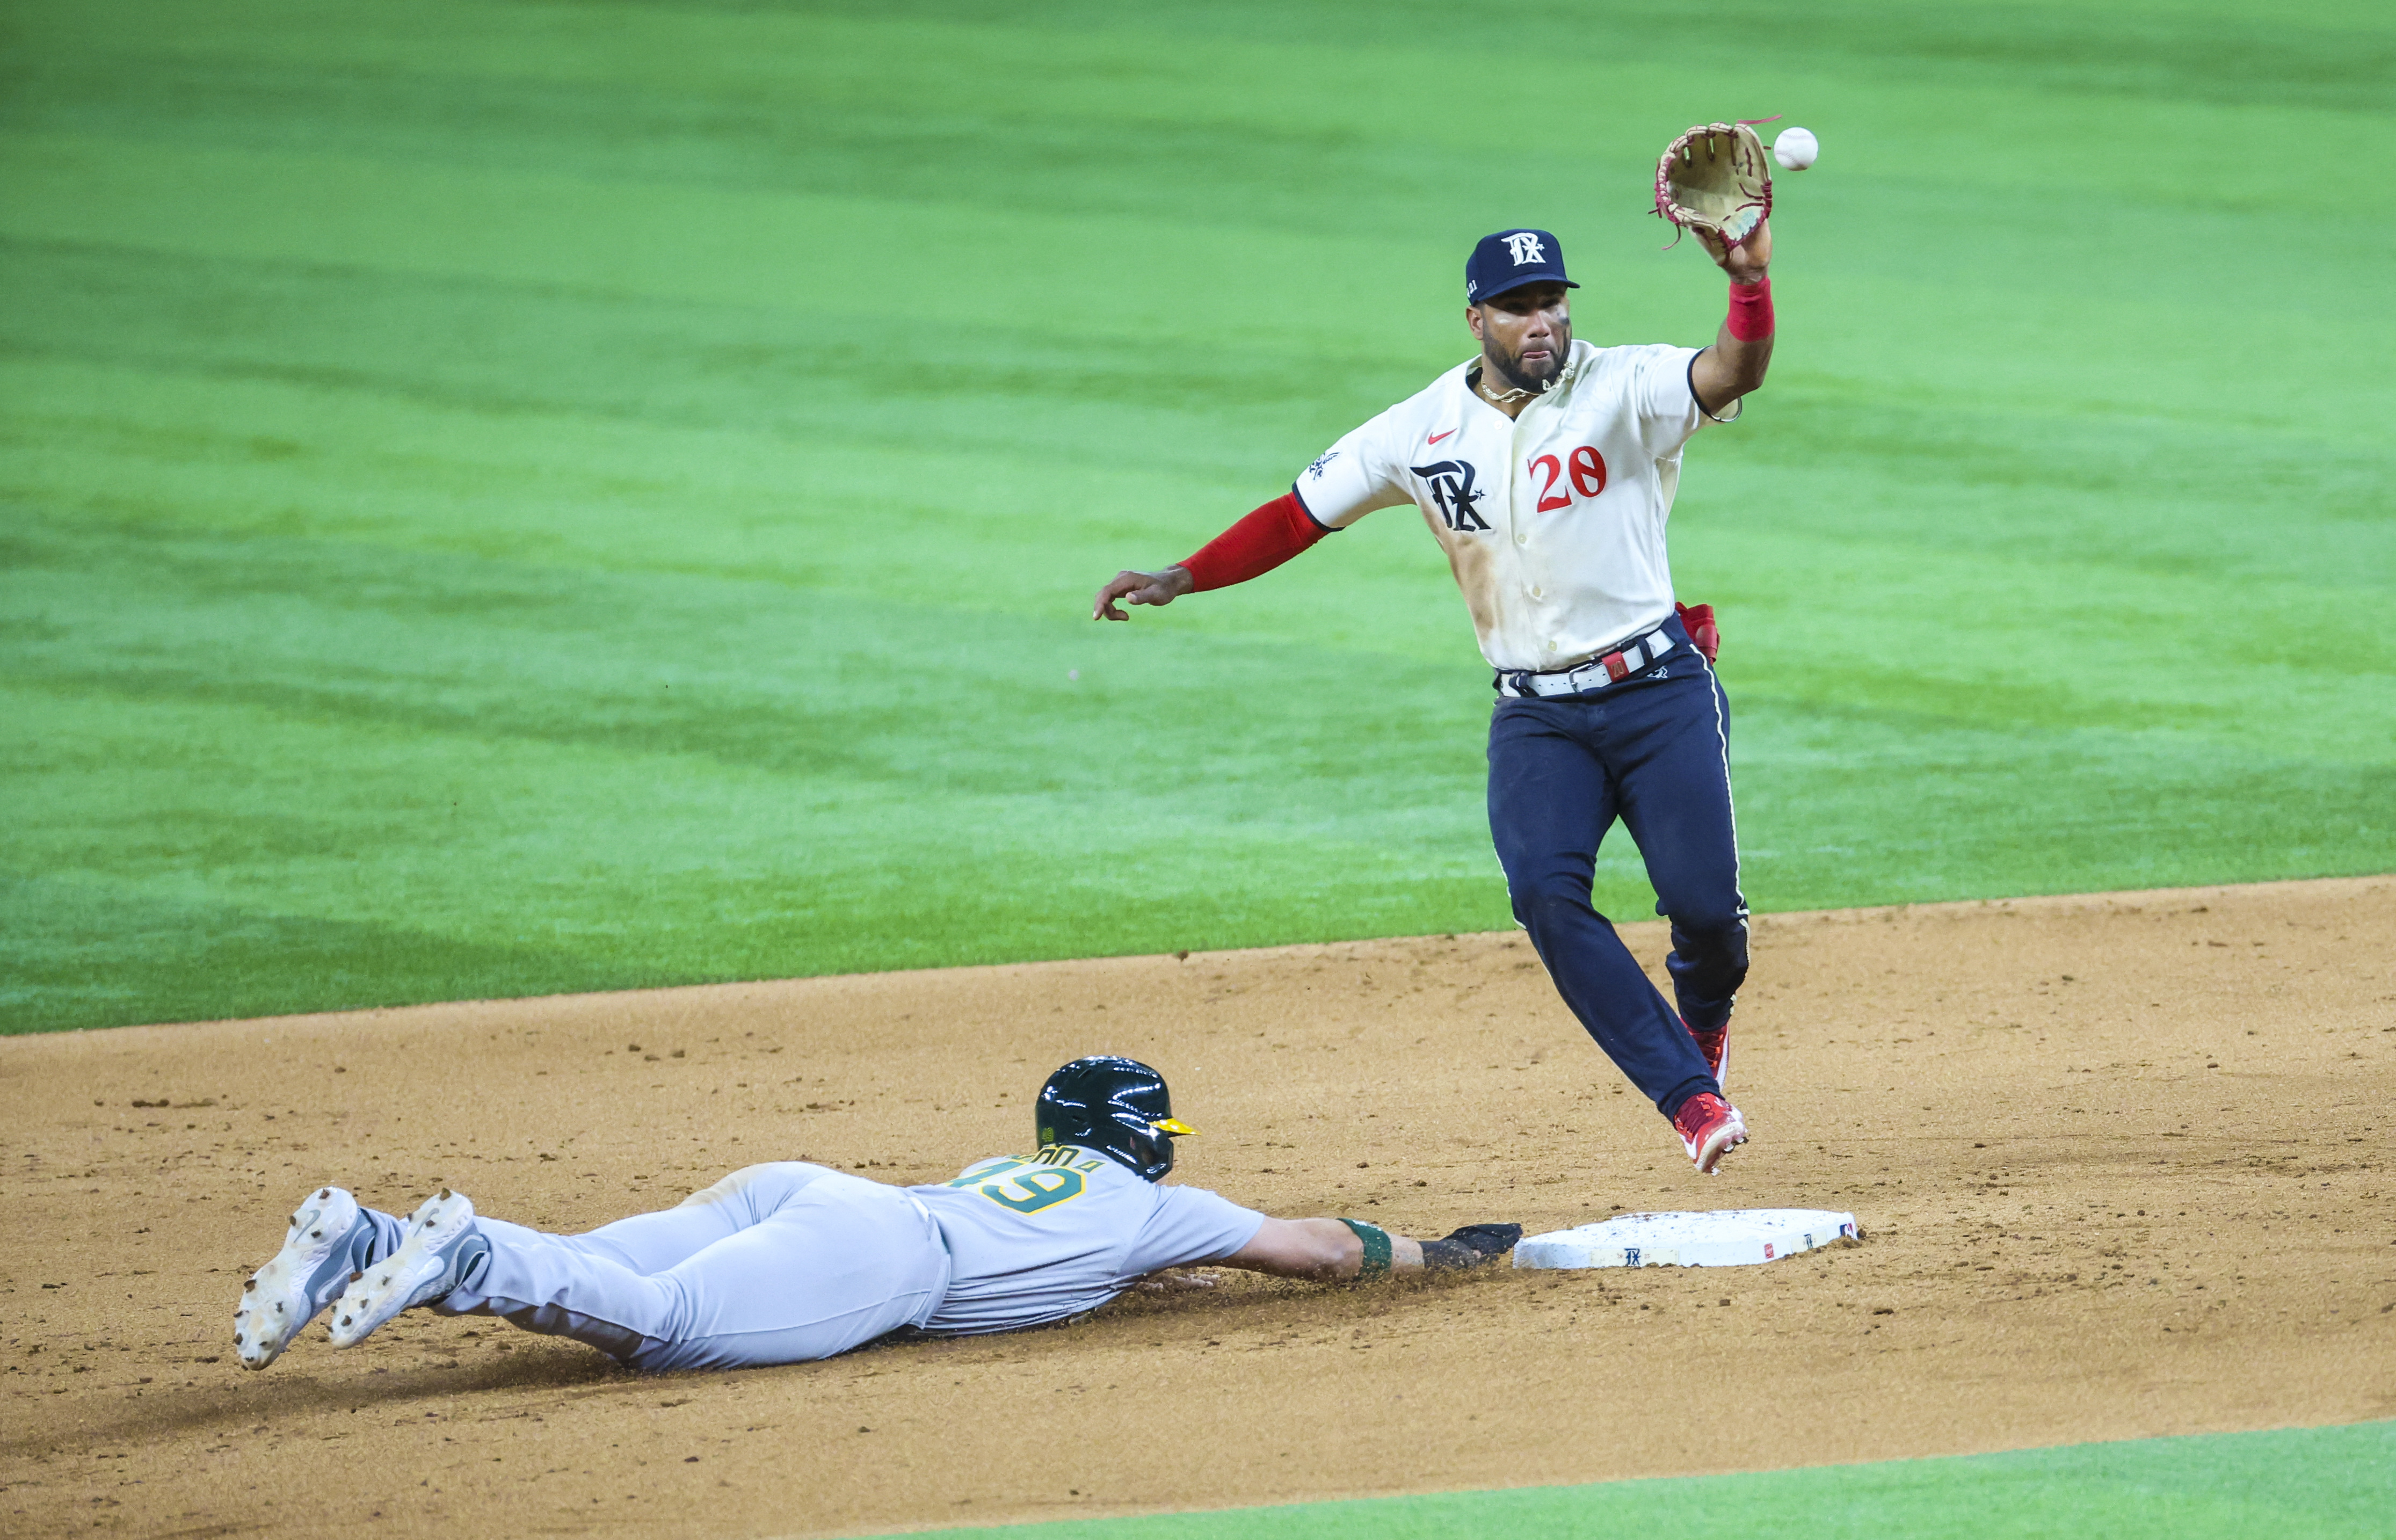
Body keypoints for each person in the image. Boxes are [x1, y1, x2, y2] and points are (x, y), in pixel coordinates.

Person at [1093, 220, 1777, 1175]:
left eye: (1552, 301)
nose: (1542, 322)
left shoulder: (1625, 385)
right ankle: (1689, 1098)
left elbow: (1731, 372)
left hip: (1658, 690)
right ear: (1475, 318)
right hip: (1539, 716)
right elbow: (1298, 515)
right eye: (1519, 307)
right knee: (1543, 893)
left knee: (1704, 915)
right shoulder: (1415, 430)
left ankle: (1702, 1024)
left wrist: (1747, 283)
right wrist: (1184, 574)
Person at [231, 1056, 1520, 1373]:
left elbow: (1076, 1263)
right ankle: (458, 1259)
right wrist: (1430, 1253)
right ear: (1143, 1141)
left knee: (602, 1262)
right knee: (670, 1328)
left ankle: (369, 1239)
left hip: (810, 1190)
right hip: (881, 1254)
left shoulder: (1036, 1181)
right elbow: (1307, 1250)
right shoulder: (1152, 1203)